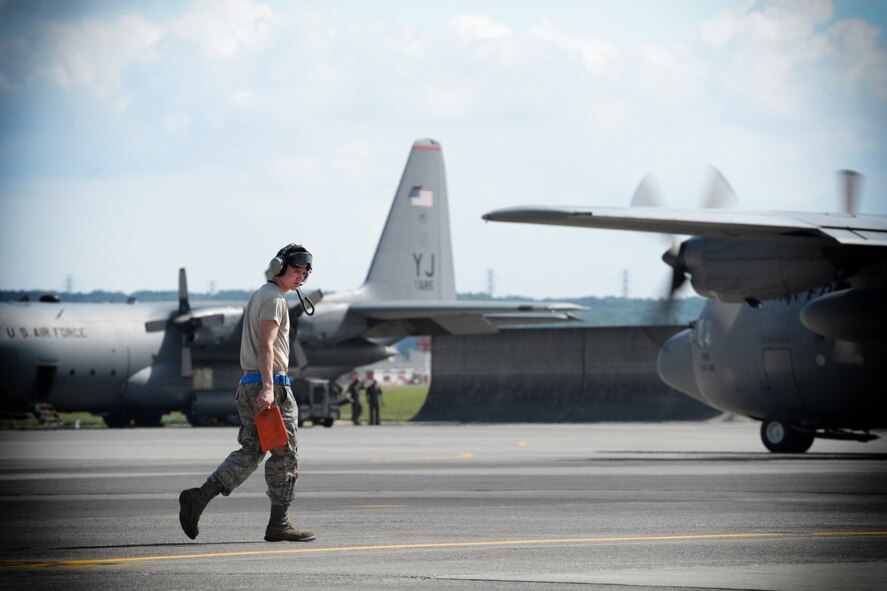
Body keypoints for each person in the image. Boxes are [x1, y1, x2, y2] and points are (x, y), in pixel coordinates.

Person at [179, 243, 316, 543]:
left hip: (248, 384)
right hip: (272, 386)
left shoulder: (260, 295)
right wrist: (269, 388)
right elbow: (266, 346)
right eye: (295, 272)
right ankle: (279, 523)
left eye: (304, 274)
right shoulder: (275, 300)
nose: (300, 279)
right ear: (279, 268)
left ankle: (199, 498)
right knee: (285, 453)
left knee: (251, 451)